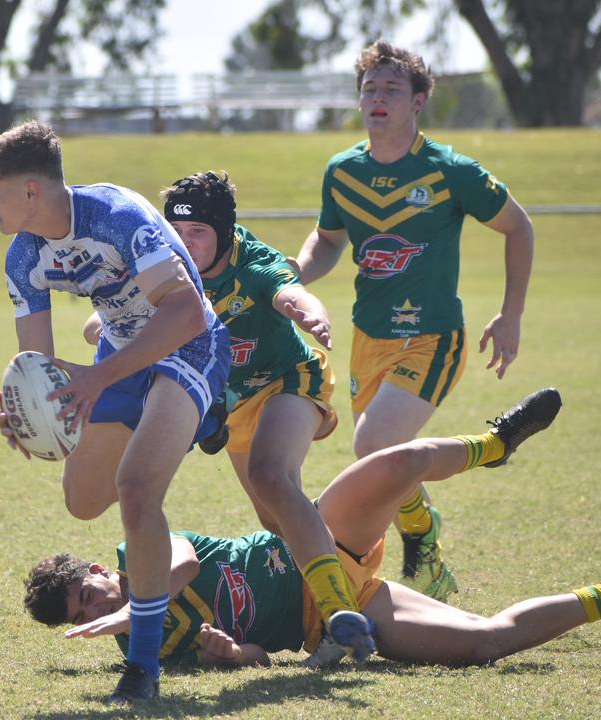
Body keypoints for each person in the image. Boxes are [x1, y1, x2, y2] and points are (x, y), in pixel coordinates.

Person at [0, 122, 373, 704]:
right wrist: (30, 411)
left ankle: (140, 669)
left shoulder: (117, 216)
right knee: (83, 500)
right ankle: (198, 424)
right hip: (120, 353)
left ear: (31, 191)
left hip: (191, 346)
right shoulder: (23, 257)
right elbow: (38, 363)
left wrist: (94, 378)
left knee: (136, 489)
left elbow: (187, 314)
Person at [25, 387, 601, 673]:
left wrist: (129, 617)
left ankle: (496, 445)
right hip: (341, 617)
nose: (99, 605)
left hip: (315, 539)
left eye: (90, 592)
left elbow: (181, 569)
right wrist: (226, 651)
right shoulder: (149, 650)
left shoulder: (139, 551)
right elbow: (259, 661)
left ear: (98, 567)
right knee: (483, 644)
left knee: (400, 461)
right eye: (85, 613)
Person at [81, 170, 379, 667]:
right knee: (273, 521)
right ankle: (334, 584)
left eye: (198, 232)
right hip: (234, 401)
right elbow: (103, 321)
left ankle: (339, 615)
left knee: (271, 476)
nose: (186, 242)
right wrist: (108, 323)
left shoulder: (252, 261)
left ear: (223, 232)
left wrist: (309, 313)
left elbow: (289, 291)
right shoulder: (163, 262)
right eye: (179, 232)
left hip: (288, 378)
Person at [292, 40, 537, 601]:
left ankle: (424, 540)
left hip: (432, 338)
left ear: (418, 101)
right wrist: (300, 269)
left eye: (392, 89)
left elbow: (519, 226)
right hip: (367, 339)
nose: (378, 98)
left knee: (371, 444)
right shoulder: (342, 172)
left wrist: (512, 312)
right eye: (370, 89)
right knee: (381, 458)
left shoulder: (451, 171)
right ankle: (426, 548)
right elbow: (329, 240)